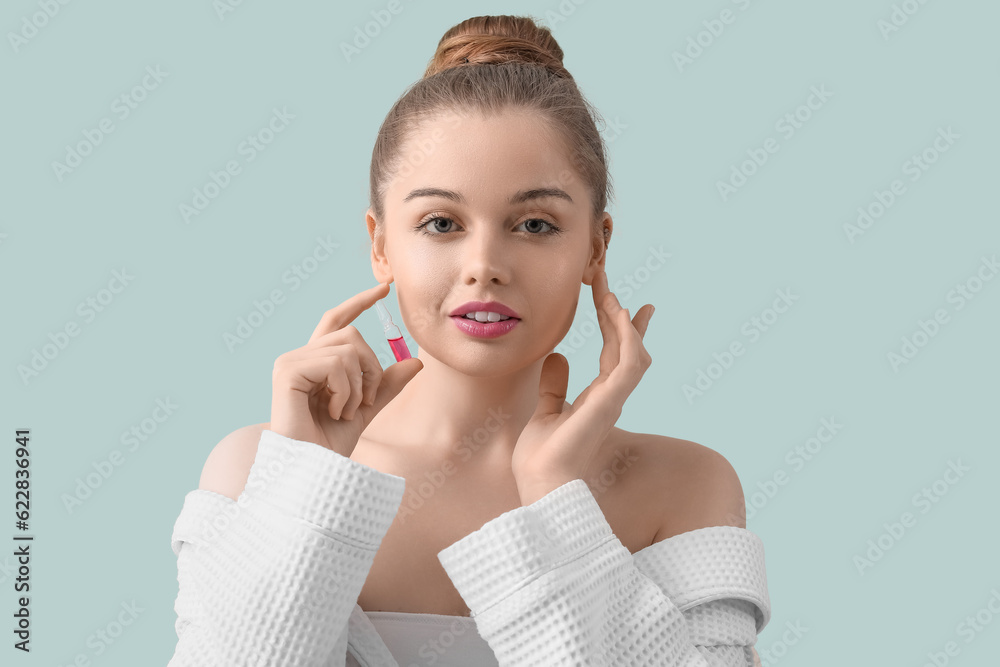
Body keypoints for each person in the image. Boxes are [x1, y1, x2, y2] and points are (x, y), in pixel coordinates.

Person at [168, 14, 770, 666]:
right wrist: (305, 494)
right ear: (380, 243)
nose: (485, 263)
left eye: (535, 223)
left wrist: (553, 495)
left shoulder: (684, 486)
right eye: (441, 222)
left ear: (595, 248)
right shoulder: (255, 469)